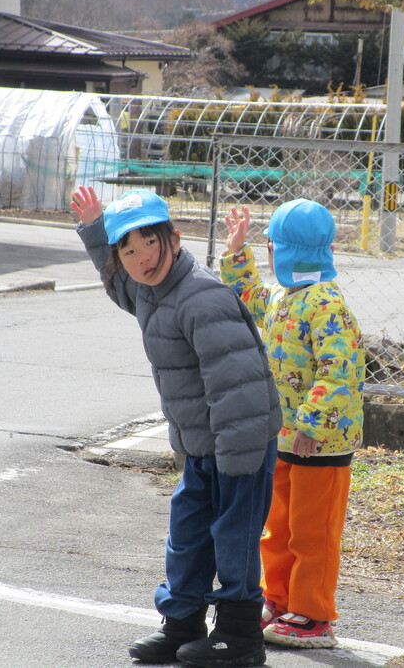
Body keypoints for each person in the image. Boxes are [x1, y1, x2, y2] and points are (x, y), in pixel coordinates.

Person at [71, 186, 282, 667]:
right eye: (128, 249)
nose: (141, 257)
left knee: (234, 538)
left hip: (239, 444)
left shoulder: (200, 297)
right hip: (202, 446)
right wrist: (93, 229)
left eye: (150, 242)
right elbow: (116, 280)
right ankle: (183, 622)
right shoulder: (148, 290)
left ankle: (239, 635)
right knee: (187, 535)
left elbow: (239, 387)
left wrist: (236, 459)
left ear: (175, 237)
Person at [219, 198, 364, 649]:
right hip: (286, 436)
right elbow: (251, 299)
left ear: (288, 251)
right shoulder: (286, 296)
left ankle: (314, 615)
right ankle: (280, 600)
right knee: (278, 527)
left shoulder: (327, 305)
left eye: (271, 247)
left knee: (313, 531)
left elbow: (340, 370)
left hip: (321, 442)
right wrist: (235, 254)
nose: (268, 254)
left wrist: (312, 425)